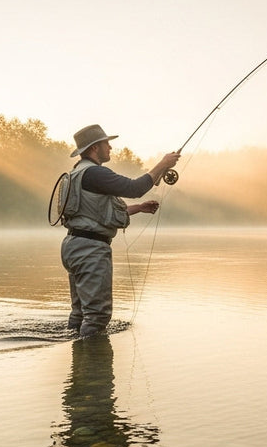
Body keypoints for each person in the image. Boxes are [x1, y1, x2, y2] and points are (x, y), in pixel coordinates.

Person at [60, 124, 179, 336]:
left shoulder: (76, 173)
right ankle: (93, 366)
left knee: (80, 314)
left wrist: (139, 208)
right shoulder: (95, 173)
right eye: (107, 143)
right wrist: (162, 164)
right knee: (97, 317)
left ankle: (77, 360)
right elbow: (134, 188)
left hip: (73, 246)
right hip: (90, 250)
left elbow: (96, 213)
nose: (110, 148)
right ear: (95, 148)